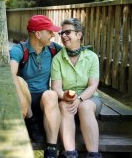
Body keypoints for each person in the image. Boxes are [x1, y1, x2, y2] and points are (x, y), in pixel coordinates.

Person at [10, 15, 62, 158]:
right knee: (19, 81)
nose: (53, 35)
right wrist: (25, 107)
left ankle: (51, 150)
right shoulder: (19, 50)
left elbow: (73, 55)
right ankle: (31, 121)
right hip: (24, 104)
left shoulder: (53, 49)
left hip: (44, 103)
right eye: (49, 31)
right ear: (38, 34)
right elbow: (10, 73)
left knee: (51, 94)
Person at [51, 18, 102, 158]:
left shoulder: (91, 57)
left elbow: (93, 85)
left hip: (90, 98)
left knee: (84, 107)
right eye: (61, 33)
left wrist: (79, 99)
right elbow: (56, 87)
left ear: (79, 35)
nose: (63, 36)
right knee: (64, 106)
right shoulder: (57, 59)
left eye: (67, 32)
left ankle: (93, 154)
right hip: (67, 98)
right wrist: (64, 96)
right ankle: (70, 153)